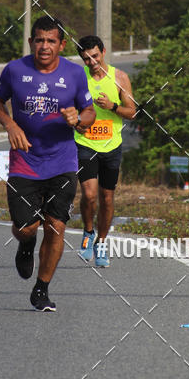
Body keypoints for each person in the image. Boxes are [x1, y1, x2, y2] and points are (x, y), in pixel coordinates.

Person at [0, 16, 95, 311]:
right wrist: (10, 124)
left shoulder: (74, 74)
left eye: (51, 41)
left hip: (62, 162)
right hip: (25, 162)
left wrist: (79, 120)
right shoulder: (15, 70)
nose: (44, 46)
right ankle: (25, 244)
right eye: (39, 40)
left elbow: (89, 112)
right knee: (26, 227)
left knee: (56, 226)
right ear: (30, 42)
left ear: (61, 44)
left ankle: (41, 288)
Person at [74, 35, 137, 267]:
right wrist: (75, 122)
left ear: (103, 51)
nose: (92, 62)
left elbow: (132, 112)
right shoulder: (79, 78)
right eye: (86, 59)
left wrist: (112, 106)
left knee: (107, 198)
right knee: (89, 196)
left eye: (95, 56)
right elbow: (68, 106)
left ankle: (101, 242)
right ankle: (88, 232)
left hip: (111, 146)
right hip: (85, 143)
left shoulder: (120, 78)